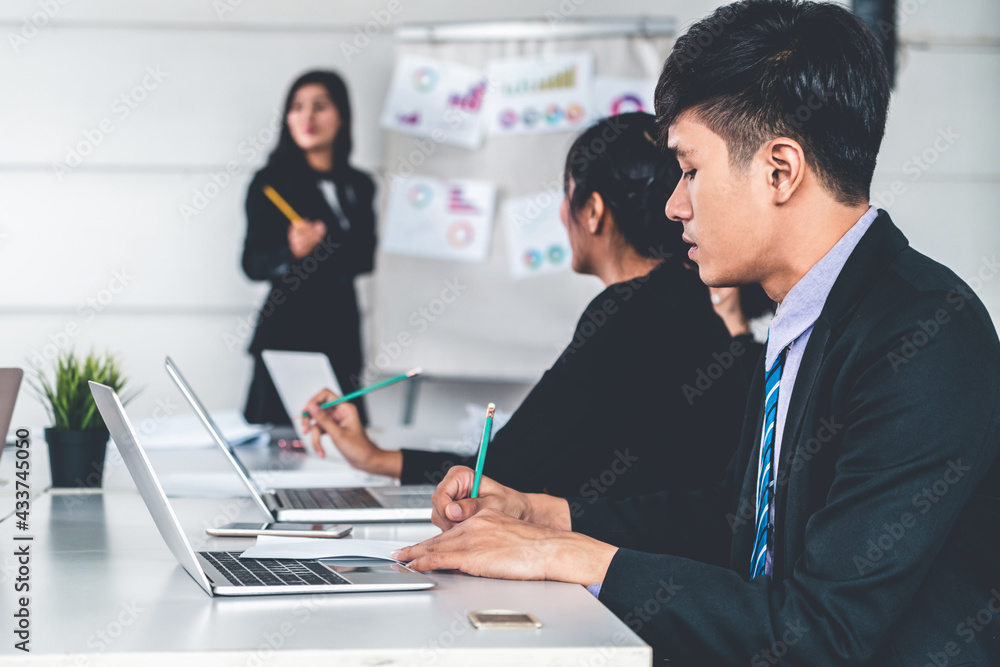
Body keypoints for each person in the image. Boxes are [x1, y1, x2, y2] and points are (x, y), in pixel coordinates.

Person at [391, 2, 1000, 665]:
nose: (674, 205)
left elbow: (823, 633)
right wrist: (549, 516)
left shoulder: (924, 338)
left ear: (780, 171)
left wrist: (566, 556)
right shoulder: (804, 317)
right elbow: (732, 523)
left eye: (689, 169)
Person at [303, 112, 752, 501]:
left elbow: (499, 471)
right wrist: (376, 458)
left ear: (593, 211)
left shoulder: (628, 316)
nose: (561, 215)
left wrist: (376, 458)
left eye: (567, 195)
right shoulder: (684, 298)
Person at [242, 70, 376, 426]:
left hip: (342, 334)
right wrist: (290, 253)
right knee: (279, 444)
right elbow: (252, 264)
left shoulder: (359, 185)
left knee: (347, 443)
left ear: (342, 116)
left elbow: (365, 258)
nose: (308, 118)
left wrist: (326, 246)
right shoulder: (270, 183)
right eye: (297, 107)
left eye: (320, 106)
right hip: (288, 334)